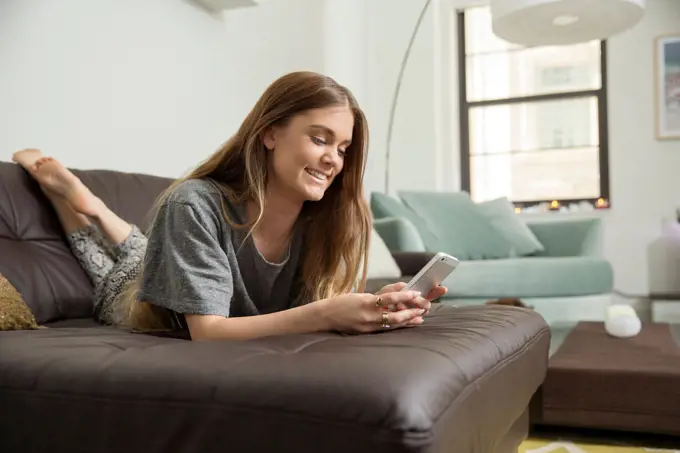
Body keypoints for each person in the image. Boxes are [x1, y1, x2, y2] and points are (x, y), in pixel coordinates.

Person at [13, 71, 447, 341]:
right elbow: (209, 332)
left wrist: (373, 304)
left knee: (139, 246)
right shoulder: (193, 202)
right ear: (269, 133)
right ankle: (71, 201)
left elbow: (314, 302)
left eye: (344, 147)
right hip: (137, 293)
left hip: (165, 255)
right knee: (111, 265)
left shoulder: (325, 218)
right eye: (320, 139)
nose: (335, 159)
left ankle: (93, 205)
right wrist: (327, 313)